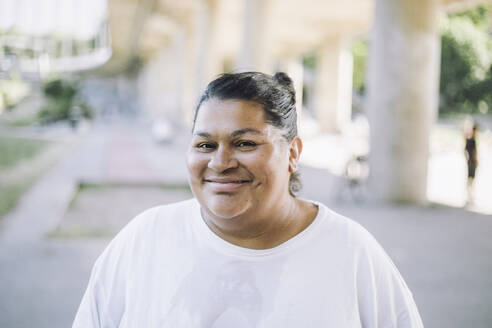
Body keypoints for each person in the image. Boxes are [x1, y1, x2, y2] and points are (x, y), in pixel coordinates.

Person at [73, 72, 423, 327]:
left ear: (293, 153)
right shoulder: (145, 239)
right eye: (205, 145)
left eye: (245, 144)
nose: (220, 163)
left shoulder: (351, 251)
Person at [464, 124, 478, 205]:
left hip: (471, 162)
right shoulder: (472, 141)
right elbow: (473, 152)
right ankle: (470, 197)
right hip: (472, 163)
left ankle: (470, 197)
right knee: (470, 180)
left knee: (470, 181)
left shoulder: (469, 140)